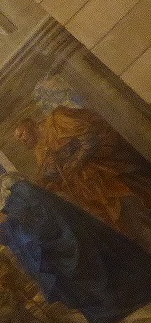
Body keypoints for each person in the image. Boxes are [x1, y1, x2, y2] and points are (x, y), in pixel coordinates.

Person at [0, 171, 151, 323]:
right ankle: (104, 312)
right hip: (48, 244)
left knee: (90, 268)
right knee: (74, 282)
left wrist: (12, 218)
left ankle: (122, 301)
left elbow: (45, 214)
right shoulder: (2, 203)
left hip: (64, 235)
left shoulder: (18, 188)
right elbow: (17, 233)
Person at [13, 105, 151, 249]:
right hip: (88, 192)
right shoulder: (39, 151)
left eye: (21, 134)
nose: (22, 141)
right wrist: (49, 175)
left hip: (103, 174)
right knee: (124, 227)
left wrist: (72, 163)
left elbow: (90, 139)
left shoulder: (57, 121)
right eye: (19, 139)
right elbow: (52, 176)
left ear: (31, 125)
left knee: (132, 208)